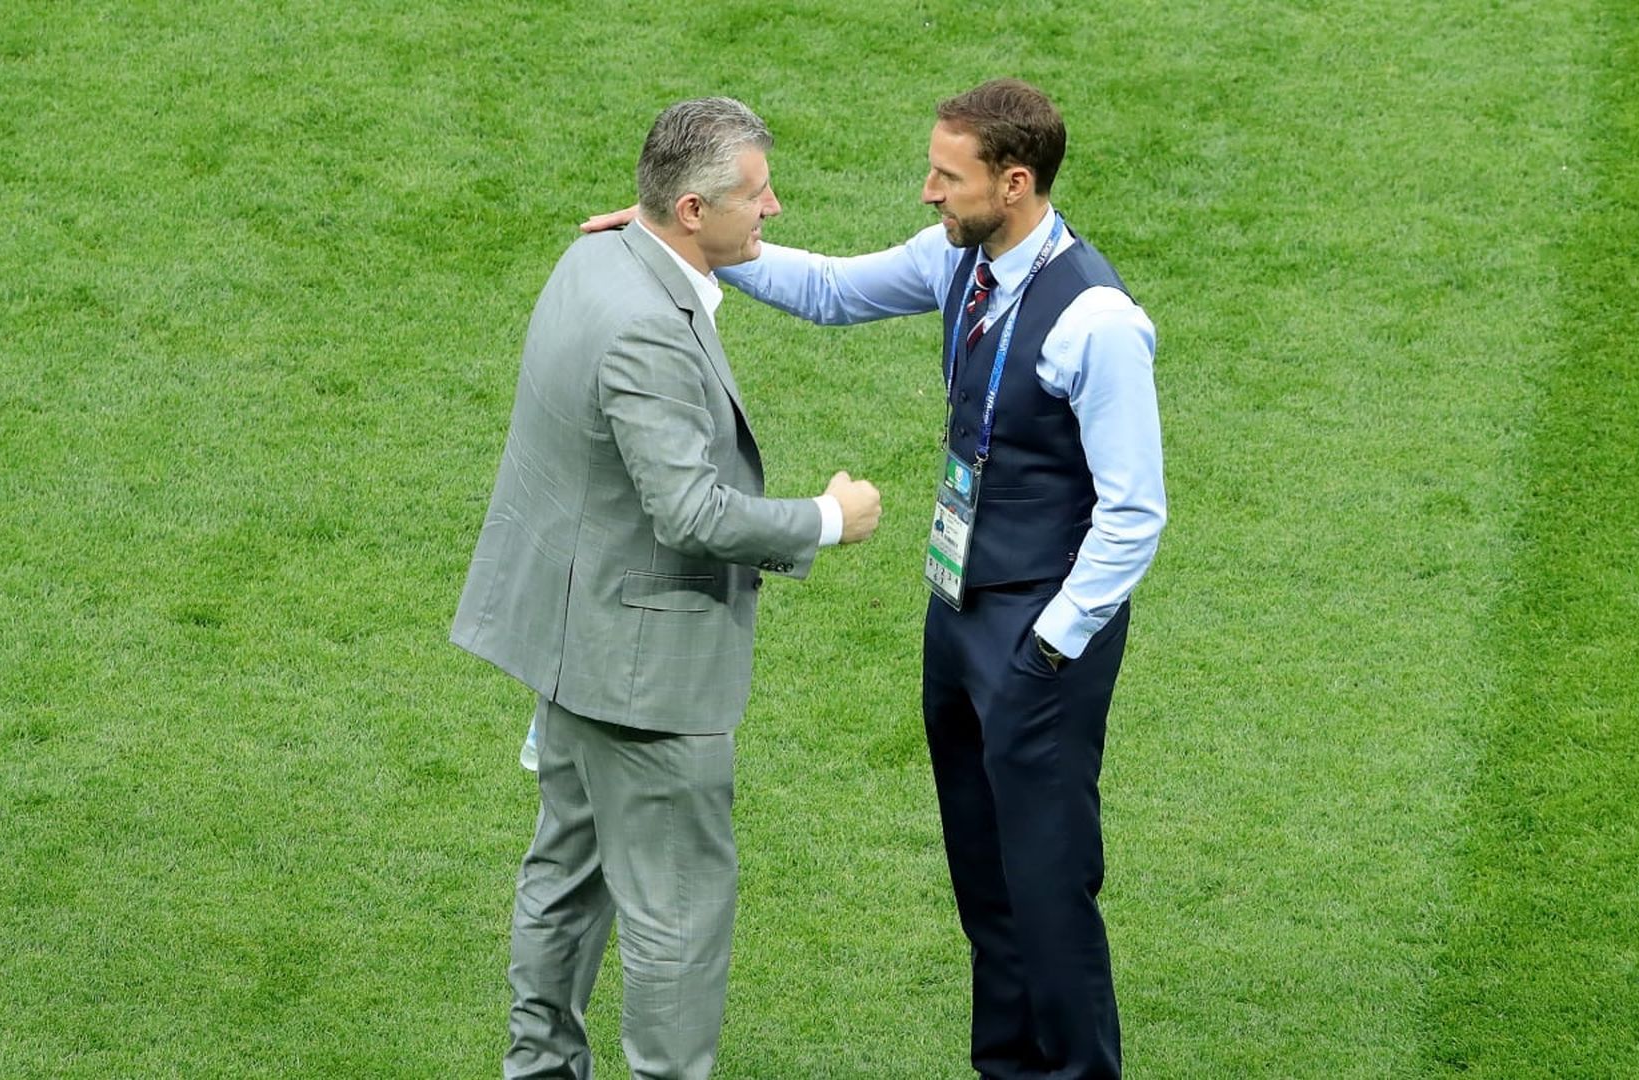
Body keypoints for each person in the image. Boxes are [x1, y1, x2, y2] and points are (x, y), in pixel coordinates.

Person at [586, 76, 1164, 1080]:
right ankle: (1010, 1069)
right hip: (959, 617)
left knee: (1047, 882)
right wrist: (671, 239)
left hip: (1036, 639)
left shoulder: (1098, 323)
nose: (928, 194)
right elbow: (832, 290)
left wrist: (1052, 643)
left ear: (1014, 182)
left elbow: (1135, 513)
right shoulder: (966, 266)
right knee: (986, 879)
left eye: (949, 176)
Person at [451, 96, 883, 1080]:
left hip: (570, 641)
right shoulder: (648, 325)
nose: (773, 206)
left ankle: (540, 1069)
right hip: (641, 671)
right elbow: (690, 512)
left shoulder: (595, 257)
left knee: (564, 878)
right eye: (755, 193)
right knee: (679, 914)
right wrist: (826, 518)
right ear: (690, 210)